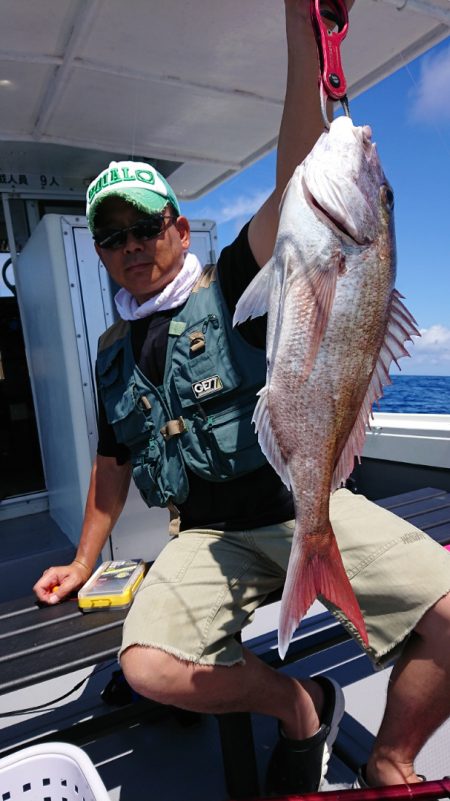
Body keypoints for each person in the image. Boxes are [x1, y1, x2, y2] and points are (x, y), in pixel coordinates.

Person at [34, 1, 450, 794]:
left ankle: (392, 755)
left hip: (304, 500)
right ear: (101, 253)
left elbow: (301, 174)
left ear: (180, 231)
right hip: (208, 532)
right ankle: (300, 704)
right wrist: (85, 558)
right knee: (147, 664)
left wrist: (304, 31)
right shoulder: (112, 352)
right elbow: (112, 463)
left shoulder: (235, 283)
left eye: (146, 228)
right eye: (112, 237)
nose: (132, 248)